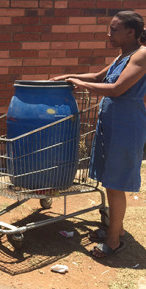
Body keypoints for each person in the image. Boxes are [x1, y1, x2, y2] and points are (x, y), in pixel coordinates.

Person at [51, 10, 146, 258]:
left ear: (131, 32)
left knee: (116, 185)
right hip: (112, 124)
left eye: (114, 30)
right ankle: (118, 230)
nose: (108, 34)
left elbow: (115, 89)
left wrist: (81, 85)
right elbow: (96, 77)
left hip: (126, 126)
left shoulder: (142, 55)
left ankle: (114, 241)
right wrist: (69, 76)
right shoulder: (122, 56)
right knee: (110, 181)